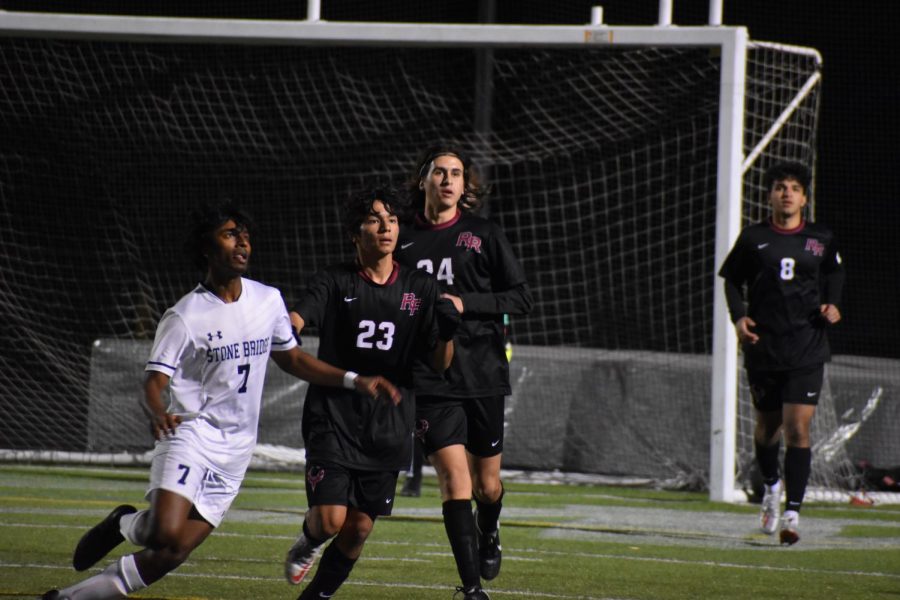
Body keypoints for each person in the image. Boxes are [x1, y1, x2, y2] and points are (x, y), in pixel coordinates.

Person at [42, 201, 399, 600]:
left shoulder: (267, 300)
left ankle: (68, 596)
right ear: (206, 249)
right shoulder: (185, 315)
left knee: (173, 552)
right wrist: (159, 411)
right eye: (230, 234)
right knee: (164, 531)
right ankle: (126, 523)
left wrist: (353, 379)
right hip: (190, 433)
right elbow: (154, 380)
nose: (242, 241)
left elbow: (294, 358)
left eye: (244, 234)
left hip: (236, 449)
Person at [282, 184, 460, 599]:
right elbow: (296, 318)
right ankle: (307, 541)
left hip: (389, 424)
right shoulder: (334, 280)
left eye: (393, 219)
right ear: (354, 232)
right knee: (329, 521)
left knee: (358, 528)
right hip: (335, 417)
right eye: (374, 219)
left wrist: (447, 334)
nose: (386, 227)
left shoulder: (421, 287)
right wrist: (285, 327)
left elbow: (441, 362)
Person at [396, 145, 533, 598]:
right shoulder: (402, 236)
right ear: (424, 181)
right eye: (440, 172)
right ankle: (471, 588)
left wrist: (464, 303)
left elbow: (520, 298)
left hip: (483, 374)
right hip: (431, 378)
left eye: (456, 173)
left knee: (487, 486)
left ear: (464, 186)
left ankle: (490, 529)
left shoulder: (484, 234)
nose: (448, 180)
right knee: (454, 480)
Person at [718, 161, 844, 545]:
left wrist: (833, 305)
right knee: (767, 428)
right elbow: (730, 280)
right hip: (765, 348)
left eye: (793, 187)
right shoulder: (754, 238)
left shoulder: (820, 238)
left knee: (798, 428)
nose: (786, 193)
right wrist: (740, 318)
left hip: (806, 346)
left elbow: (835, 273)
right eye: (779, 187)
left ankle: (793, 513)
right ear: (770, 195)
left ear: (804, 197)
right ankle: (771, 487)